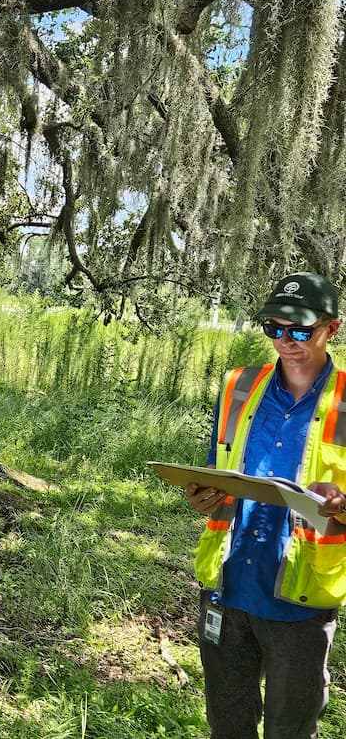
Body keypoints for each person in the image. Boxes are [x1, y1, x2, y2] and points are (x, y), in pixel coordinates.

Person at [186, 271, 346, 739]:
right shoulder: (239, 385)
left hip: (300, 597)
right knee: (227, 724)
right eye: (274, 329)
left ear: (332, 328)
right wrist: (203, 494)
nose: (285, 342)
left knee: (290, 729)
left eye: (300, 331)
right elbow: (220, 466)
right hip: (228, 583)